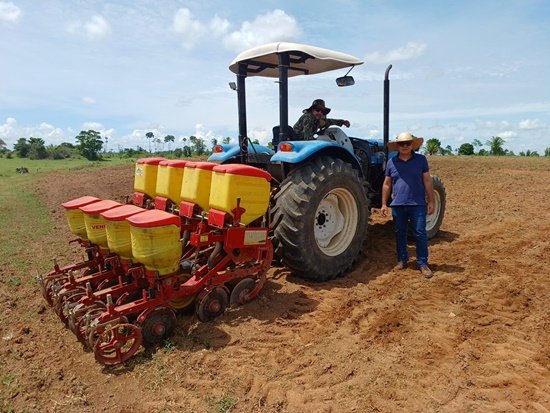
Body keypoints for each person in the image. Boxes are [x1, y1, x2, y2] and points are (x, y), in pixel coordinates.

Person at [380, 132, 436, 278]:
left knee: (419, 233)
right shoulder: (392, 162)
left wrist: (431, 200)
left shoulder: (421, 160)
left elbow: (427, 181)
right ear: (397, 146)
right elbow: (387, 184)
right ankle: (402, 260)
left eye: (407, 143)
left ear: (412, 145)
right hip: (398, 204)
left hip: (417, 203)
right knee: (400, 233)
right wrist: (384, 204)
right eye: (401, 144)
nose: (404, 146)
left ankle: (422, 263)